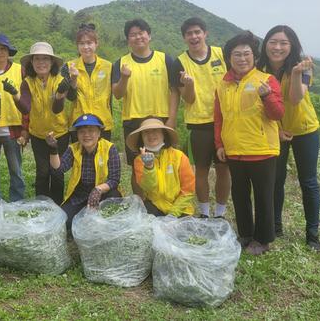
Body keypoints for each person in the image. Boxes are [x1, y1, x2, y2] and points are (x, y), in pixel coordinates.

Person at [214, 31, 285, 256]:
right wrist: (219, 145)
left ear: (254, 56)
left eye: (247, 54)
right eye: (237, 54)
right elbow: (219, 118)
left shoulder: (266, 80)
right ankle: (245, 233)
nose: (242, 58)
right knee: (240, 194)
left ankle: (263, 239)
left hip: (262, 149)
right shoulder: (222, 85)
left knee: (264, 195)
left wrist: (267, 97)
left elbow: (277, 114)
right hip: (234, 150)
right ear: (229, 58)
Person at [258, 25, 320, 251]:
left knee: (309, 181)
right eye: (273, 42)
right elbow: (259, 106)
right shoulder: (259, 69)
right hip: (276, 131)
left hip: (305, 129)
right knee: (276, 180)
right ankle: (275, 227)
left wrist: (295, 73)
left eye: (283, 43)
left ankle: (312, 234)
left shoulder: (303, 66)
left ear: (292, 45)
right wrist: (276, 130)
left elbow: (296, 98)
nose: (277, 47)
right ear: (265, 44)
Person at [111, 18, 180, 195]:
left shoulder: (165, 59)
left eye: (141, 33)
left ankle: (165, 202)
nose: (137, 37)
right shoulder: (120, 63)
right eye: (132, 35)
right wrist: (124, 77)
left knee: (165, 163)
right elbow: (117, 94)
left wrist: (171, 120)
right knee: (137, 166)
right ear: (128, 40)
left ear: (149, 36)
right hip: (133, 121)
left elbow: (174, 90)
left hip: (160, 120)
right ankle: (140, 205)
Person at [171, 17, 230, 219]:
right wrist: (188, 85)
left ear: (205, 33)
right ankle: (204, 213)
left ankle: (220, 213)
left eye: (197, 32)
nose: (194, 36)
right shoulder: (180, 62)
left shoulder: (222, 54)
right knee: (202, 170)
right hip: (199, 124)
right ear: (184, 38)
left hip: (225, 122)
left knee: (224, 170)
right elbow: (187, 99)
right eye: (189, 34)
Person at [15, 42, 69, 205]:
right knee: (43, 171)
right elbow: (26, 108)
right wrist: (15, 96)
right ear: (31, 62)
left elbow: (57, 109)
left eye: (45, 59)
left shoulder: (60, 80)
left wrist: (59, 95)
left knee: (57, 171)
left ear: (52, 62)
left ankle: (58, 205)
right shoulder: (27, 82)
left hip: (60, 133)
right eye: (37, 59)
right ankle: (42, 205)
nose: (41, 63)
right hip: (37, 134)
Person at [47, 114, 121, 229]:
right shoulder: (73, 148)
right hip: (79, 195)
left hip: (103, 194)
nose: (86, 135)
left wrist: (98, 189)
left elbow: (114, 179)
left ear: (99, 133)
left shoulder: (110, 148)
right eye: (82, 131)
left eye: (91, 131)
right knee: (65, 222)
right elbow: (59, 169)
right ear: (77, 134)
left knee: (111, 214)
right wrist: (53, 149)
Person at [0, 34, 27, 202]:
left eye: (3, 49)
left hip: (13, 128)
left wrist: (25, 128)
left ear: (8, 52)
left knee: (16, 169)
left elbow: (27, 100)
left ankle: (17, 202)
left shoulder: (19, 70)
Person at [127, 118, 195, 217]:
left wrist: (173, 214)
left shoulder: (179, 156)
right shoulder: (139, 160)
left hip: (180, 208)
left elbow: (188, 190)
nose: (151, 135)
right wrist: (149, 167)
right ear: (141, 138)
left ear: (164, 134)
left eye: (155, 130)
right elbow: (148, 187)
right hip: (155, 206)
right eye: (146, 132)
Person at [64, 24, 113, 142]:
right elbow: (70, 97)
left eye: (89, 43)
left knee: (102, 158)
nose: (86, 47)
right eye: (81, 43)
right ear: (77, 46)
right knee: (79, 159)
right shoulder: (69, 66)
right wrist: (73, 79)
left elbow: (110, 98)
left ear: (96, 44)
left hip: (102, 122)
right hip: (79, 122)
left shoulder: (109, 66)